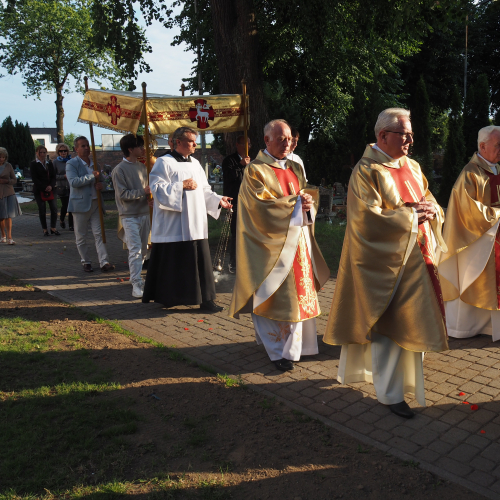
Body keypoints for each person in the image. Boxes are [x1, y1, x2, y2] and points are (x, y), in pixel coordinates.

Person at [323, 108, 448, 419]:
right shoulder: (366, 171)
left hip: (418, 258)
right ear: (383, 135)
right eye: (404, 135)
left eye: (411, 135)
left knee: (413, 323)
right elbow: (365, 219)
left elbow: (427, 196)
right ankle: (390, 394)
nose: (410, 141)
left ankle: (406, 383)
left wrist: (433, 209)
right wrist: (409, 217)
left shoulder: (412, 166)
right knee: (390, 327)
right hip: (386, 264)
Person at [229, 119, 330, 371]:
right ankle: (277, 352)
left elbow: (305, 195)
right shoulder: (255, 170)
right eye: (281, 139)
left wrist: (308, 203)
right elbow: (258, 208)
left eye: (289, 139)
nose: (287, 144)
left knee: (298, 296)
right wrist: (296, 205)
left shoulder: (295, 167)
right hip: (270, 246)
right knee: (271, 294)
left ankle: (300, 347)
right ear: (267, 140)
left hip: (298, 242)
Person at [143, 126, 232, 312]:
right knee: (173, 264)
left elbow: (205, 190)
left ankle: (206, 300)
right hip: (174, 225)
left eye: (195, 141)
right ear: (178, 142)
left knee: (200, 263)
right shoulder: (163, 162)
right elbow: (157, 189)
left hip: (196, 223)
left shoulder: (196, 163)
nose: (194, 145)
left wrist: (218, 200)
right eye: (191, 141)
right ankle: (170, 298)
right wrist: (180, 185)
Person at [438, 125, 500, 340]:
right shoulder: (470, 173)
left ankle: (493, 326)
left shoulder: (497, 170)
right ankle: (466, 327)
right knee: (473, 279)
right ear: (482, 146)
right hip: (478, 240)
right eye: (498, 145)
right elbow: (467, 210)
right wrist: (497, 215)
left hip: (496, 236)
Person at [112, 134, 152, 298]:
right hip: (129, 215)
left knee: (143, 249)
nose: (143, 149)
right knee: (135, 249)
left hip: (144, 213)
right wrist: (143, 192)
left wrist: (148, 199)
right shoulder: (119, 170)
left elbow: (146, 191)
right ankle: (136, 282)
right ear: (130, 149)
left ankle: (137, 277)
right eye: (140, 146)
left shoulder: (142, 167)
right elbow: (122, 194)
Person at [66, 136, 114, 273]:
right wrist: (92, 176)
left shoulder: (95, 164)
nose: (86, 148)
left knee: (99, 234)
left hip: (96, 202)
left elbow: (103, 181)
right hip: (80, 205)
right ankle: (86, 261)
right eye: (83, 146)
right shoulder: (71, 164)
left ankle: (104, 262)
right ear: (76, 149)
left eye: (87, 145)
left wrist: (101, 185)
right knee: (81, 235)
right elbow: (73, 182)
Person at [221, 135, 251, 273]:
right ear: (237, 145)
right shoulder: (229, 160)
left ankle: (248, 261)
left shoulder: (251, 161)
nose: (247, 147)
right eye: (244, 144)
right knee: (236, 233)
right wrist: (240, 165)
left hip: (249, 202)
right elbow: (230, 177)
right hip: (235, 201)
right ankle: (233, 263)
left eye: (249, 145)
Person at [30, 145, 60, 237]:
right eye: (40, 152)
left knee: (54, 208)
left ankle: (53, 227)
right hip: (39, 189)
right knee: (42, 209)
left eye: (44, 152)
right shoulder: (34, 164)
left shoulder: (49, 163)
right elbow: (35, 178)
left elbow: (53, 176)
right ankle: (45, 229)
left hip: (51, 189)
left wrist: (51, 186)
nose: (42, 154)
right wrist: (44, 187)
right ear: (37, 153)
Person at [0, 147, 21, 244]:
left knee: (9, 216)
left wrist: (7, 181)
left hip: (8, 192)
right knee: (1, 216)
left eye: (3, 157)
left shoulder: (8, 166)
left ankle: (9, 237)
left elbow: (14, 179)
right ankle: (3, 235)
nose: (1, 159)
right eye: (0, 157)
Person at [53, 143, 73, 231]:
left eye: (65, 151)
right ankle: (62, 219)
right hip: (62, 187)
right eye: (61, 151)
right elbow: (53, 176)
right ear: (58, 152)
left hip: (71, 186)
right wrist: (63, 176)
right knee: (65, 205)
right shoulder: (55, 162)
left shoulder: (71, 161)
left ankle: (71, 225)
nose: (63, 152)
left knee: (72, 205)